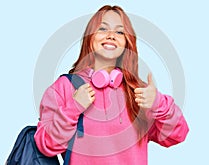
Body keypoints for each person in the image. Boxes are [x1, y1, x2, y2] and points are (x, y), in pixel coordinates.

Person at [34, 5, 189, 165]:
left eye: (120, 32)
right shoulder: (66, 87)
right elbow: (46, 145)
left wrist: (158, 102)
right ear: (90, 37)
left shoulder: (138, 92)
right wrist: (74, 107)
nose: (111, 36)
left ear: (127, 43)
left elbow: (178, 134)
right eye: (102, 29)